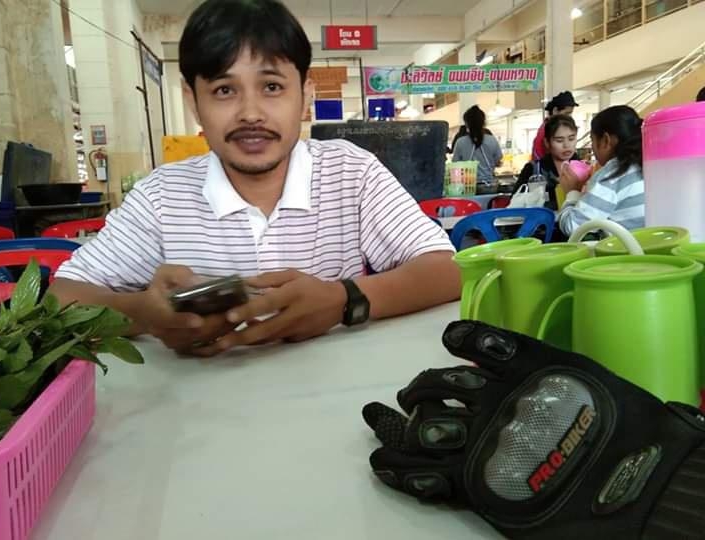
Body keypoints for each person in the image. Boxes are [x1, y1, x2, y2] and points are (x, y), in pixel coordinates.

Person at [50, 0, 460, 357]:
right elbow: (62, 296)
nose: (250, 113)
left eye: (272, 86)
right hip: (196, 407)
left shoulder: (352, 173)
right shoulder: (161, 196)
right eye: (224, 91)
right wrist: (142, 314)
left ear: (305, 95)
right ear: (193, 100)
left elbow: (449, 270)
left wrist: (343, 299)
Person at [558, 105, 645, 236]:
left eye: (592, 140)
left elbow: (573, 227)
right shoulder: (649, 164)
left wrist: (572, 192)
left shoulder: (611, 176)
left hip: (629, 247)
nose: (592, 148)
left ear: (605, 140)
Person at [513, 115, 582, 210]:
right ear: (547, 142)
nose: (566, 145)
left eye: (571, 139)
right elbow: (515, 203)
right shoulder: (534, 169)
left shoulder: (584, 168)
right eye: (559, 140)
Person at [452, 105, 503, 185]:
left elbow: (455, 165)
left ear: (466, 124)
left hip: (467, 186)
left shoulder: (460, 142)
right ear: (484, 122)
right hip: (489, 185)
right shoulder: (492, 140)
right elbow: (498, 161)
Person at [532, 91, 578, 160]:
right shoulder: (546, 131)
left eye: (571, 139)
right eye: (567, 113)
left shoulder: (547, 127)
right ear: (555, 111)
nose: (567, 145)